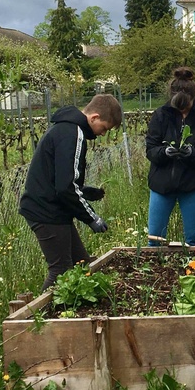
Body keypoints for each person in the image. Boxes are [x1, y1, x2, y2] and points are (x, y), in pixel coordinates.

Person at [20, 93, 123, 291]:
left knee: (81, 264)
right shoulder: (74, 133)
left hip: (51, 207)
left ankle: (74, 312)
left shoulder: (65, 128)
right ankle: (38, 319)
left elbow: (59, 179)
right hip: (45, 211)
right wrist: (91, 217)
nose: (103, 134)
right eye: (104, 128)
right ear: (94, 118)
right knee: (61, 270)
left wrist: (83, 192)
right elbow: (66, 187)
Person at [146, 67, 195, 246]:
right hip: (162, 185)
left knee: (194, 241)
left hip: (193, 186)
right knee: (155, 238)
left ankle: (193, 271)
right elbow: (150, 149)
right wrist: (164, 152)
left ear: (192, 99)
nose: (182, 112)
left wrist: (193, 153)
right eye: (177, 108)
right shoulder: (160, 116)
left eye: (185, 108)